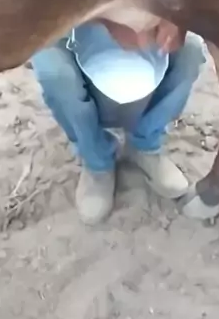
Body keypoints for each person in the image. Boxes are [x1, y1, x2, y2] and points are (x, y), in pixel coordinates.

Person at [31, 19, 205, 225]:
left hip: (147, 21)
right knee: (51, 67)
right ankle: (97, 161)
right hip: (78, 24)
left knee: (191, 49)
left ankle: (145, 145)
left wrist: (175, 17)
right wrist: (110, 20)